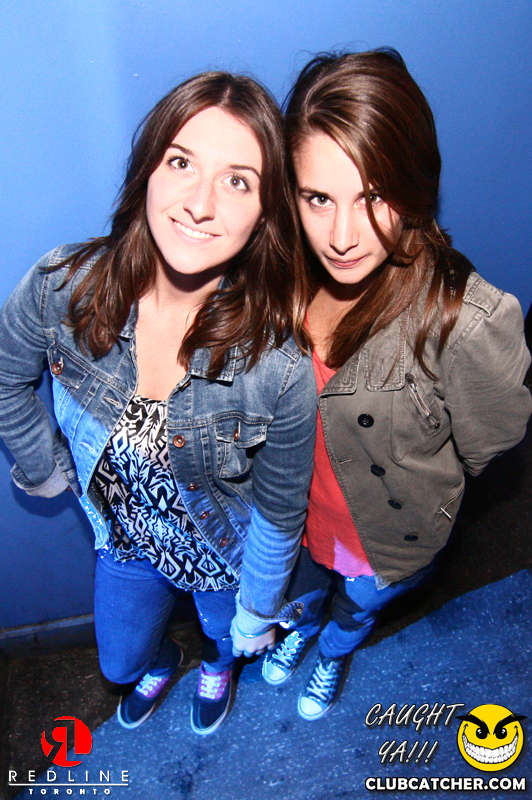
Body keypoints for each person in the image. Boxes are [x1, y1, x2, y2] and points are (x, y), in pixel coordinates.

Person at [0, 71, 316, 735]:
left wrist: (258, 609)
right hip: (127, 546)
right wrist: (42, 466)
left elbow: (281, 511)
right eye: (180, 162)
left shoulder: (278, 368)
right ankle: (163, 660)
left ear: (264, 213)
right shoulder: (63, 288)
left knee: (227, 640)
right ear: (148, 169)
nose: (200, 203)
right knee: (119, 665)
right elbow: (7, 376)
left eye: (237, 181)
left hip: (222, 559)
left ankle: (215, 664)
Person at [262, 49, 532, 721]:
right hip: (293, 517)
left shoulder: (465, 321)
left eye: (373, 196)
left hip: (383, 536)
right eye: (318, 198)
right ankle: (300, 628)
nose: (342, 236)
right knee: (300, 593)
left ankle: (333, 651)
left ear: (414, 184)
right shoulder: (279, 275)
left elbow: (491, 442)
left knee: (354, 607)